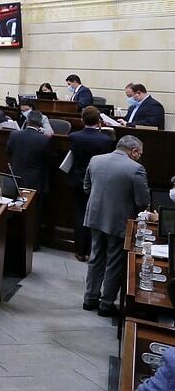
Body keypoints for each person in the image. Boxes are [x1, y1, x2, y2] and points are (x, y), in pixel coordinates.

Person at [83, 136, 149, 316]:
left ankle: (89, 299)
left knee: (96, 257)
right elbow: (143, 202)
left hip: (95, 216)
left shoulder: (96, 160)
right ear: (134, 151)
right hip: (119, 221)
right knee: (114, 262)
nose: (140, 157)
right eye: (140, 154)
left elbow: (87, 188)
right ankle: (106, 304)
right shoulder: (136, 169)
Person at [68, 107, 117, 262]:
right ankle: (91, 251)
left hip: (78, 179)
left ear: (82, 120)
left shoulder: (74, 137)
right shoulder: (106, 140)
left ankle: (79, 251)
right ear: (99, 121)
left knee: (79, 214)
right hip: (98, 182)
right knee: (95, 217)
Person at [7, 110, 54, 196]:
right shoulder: (44, 139)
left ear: (27, 121)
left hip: (15, 178)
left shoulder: (14, 134)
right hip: (35, 181)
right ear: (40, 123)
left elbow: (8, 151)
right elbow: (49, 159)